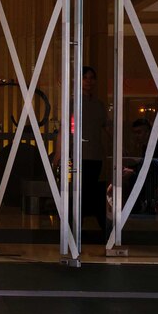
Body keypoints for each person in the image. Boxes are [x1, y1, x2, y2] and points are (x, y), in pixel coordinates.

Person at [53, 66, 110, 237]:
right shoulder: (72, 103)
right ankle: (75, 227)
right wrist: (58, 154)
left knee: (89, 190)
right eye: (85, 78)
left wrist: (119, 145)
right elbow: (64, 130)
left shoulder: (99, 105)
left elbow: (106, 127)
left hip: (95, 154)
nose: (89, 81)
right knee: (82, 190)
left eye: (91, 78)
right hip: (78, 154)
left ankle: (77, 227)